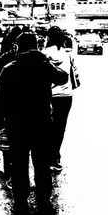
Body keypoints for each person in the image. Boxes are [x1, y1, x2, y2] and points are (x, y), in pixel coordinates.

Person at [0, 32, 68, 215]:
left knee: (18, 166)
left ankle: (20, 207)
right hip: (42, 124)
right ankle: (44, 205)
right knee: (42, 165)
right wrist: (46, 60)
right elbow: (63, 78)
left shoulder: (9, 69)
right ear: (36, 46)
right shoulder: (44, 66)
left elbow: (0, 99)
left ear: (18, 47)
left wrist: (0, 121)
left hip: (16, 125)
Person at [43, 26, 76, 173]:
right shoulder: (68, 54)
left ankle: (46, 156)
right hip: (65, 95)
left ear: (48, 37)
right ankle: (55, 157)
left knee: (47, 126)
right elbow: (75, 72)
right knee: (60, 127)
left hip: (47, 95)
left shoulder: (44, 54)